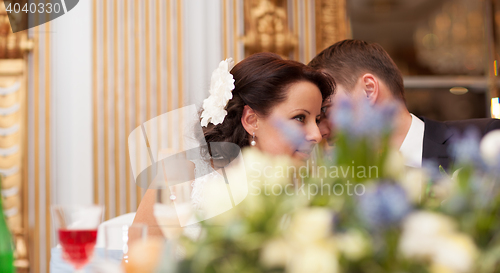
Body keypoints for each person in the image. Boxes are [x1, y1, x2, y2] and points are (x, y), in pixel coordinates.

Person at [132, 52, 334, 234]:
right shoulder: (179, 174)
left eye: (317, 120)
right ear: (251, 120)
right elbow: (138, 260)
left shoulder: (308, 189)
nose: (316, 134)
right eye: (300, 118)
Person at [309, 39, 500, 170]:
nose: (319, 133)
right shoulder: (342, 185)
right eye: (317, 119)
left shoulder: (485, 140)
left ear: (368, 90)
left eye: (325, 110)